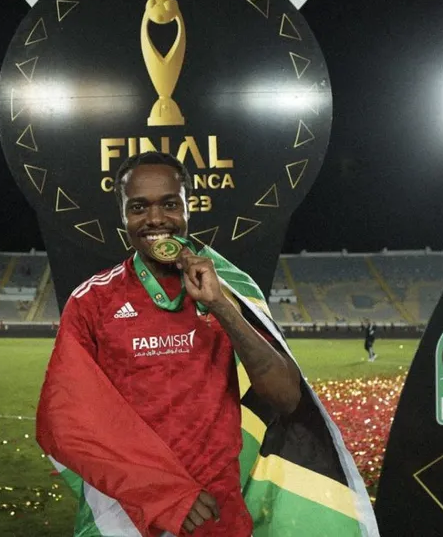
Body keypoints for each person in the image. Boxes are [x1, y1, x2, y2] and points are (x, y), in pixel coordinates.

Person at [37, 152, 305, 536]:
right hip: (124, 516)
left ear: (187, 207)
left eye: (169, 203)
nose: (156, 219)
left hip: (215, 515)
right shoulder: (92, 301)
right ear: (123, 216)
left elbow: (286, 398)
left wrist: (220, 307)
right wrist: (167, 494)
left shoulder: (230, 288)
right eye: (139, 207)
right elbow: (64, 420)